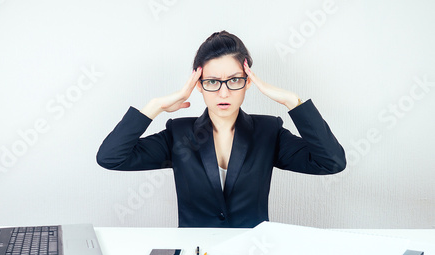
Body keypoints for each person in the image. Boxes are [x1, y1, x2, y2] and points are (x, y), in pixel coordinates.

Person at [97, 31, 346, 228]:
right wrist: (154, 107)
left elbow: (331, 162)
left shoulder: (268, 131)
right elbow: (110, 157)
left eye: (234, 80)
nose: (224, 92)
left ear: (248, 81)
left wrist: (293, 102)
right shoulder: (179, 133)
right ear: (198, 85)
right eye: (213, 82)